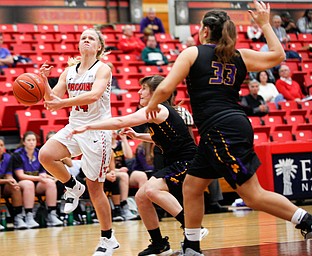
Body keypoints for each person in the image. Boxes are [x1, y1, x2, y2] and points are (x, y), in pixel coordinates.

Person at [144, 1, 312, 255]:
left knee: (252, 196)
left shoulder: (193, 53)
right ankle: (192, 247)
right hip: (230, 126)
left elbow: (164, 88)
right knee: (192, 187)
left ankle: (311, 222)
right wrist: (264, 25)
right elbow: (278, 56)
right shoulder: (240, 54)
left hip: (220, 129)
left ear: (205, 31)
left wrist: (151, 105)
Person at [69, 75, 209, 256]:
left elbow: (120, 122)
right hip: (176, 161)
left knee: (151, 190)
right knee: (142, 197)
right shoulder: (157, 112)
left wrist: (89, 126)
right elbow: (161, 139)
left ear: (155, 92)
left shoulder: (157, 109)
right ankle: (159, 244)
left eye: (143, 88)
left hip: (187, 161)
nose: (139, 91)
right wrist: (138, 136)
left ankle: (193, 228)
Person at [38, 28, 119, 255]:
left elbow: (94, 95)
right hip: (75, 127)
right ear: (78, 45)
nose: (86, 40)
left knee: (96, 189)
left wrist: (61, 104)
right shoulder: (68, 71)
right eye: (83, 37)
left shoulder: (103, 69)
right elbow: (52, 98)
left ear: (99, 47)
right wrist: (43, 80)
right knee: (45, 155)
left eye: (91, 38)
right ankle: (73, 185)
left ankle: (107, 238)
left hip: (97, 131)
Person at [10, 131, 63, 228]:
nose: (31, 142)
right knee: (28, 184)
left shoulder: (39, 153)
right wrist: (38, 178)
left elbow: (42, 173)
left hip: (36, 183)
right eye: (29, 140)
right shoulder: (17, 155)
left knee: (50, 183)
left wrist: (50, 178)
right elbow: (20, 176)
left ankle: (52, 215)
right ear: (24, 142)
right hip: (21, 183)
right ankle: (28, 216)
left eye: (33, 140)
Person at [0, 136, 28, 230]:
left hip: (4, 184)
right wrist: (7, 180)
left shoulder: (8, 157)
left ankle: (18, 217)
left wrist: (13, 182)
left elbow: (8, 175)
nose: (0, 148)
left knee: (15, 187)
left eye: (1, 145)